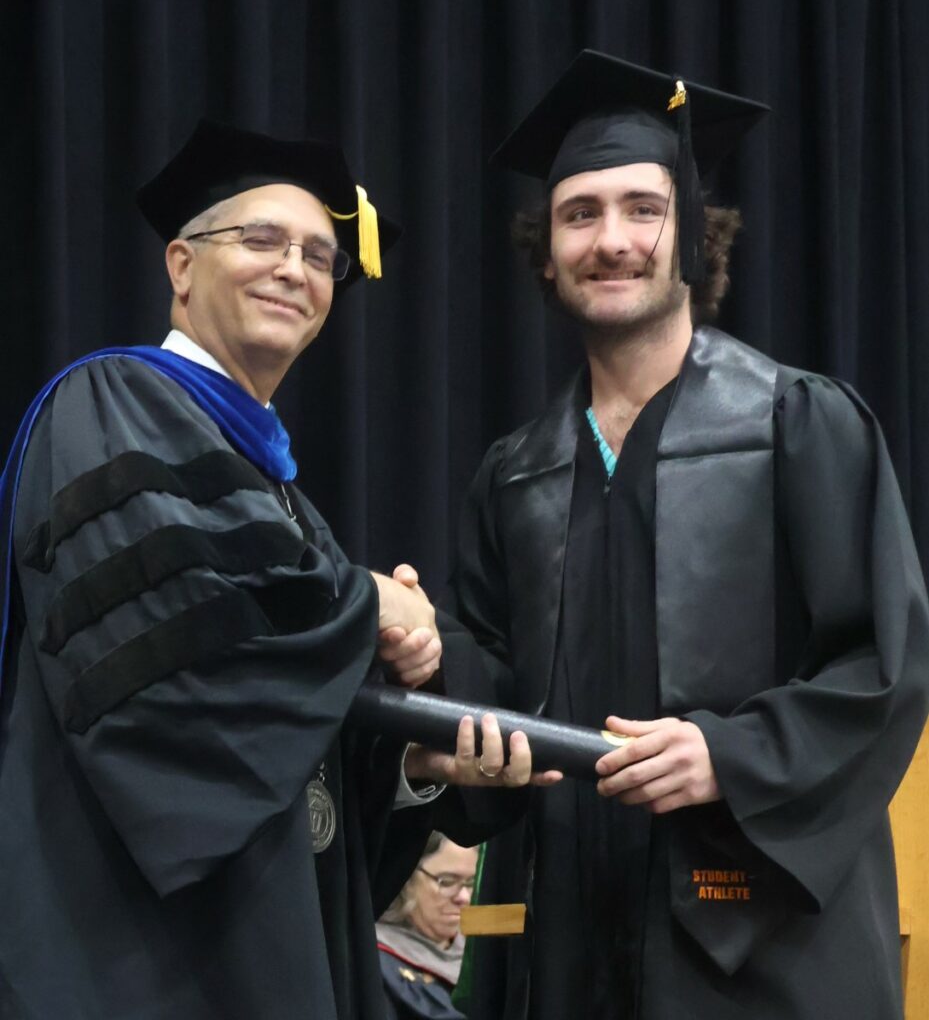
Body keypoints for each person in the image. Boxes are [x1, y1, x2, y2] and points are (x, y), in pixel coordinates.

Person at [437, 51, 929, 1020]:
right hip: (576, 937)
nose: (609, 239)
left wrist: (731, 754)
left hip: (769, 952)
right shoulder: (515, 473)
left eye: (640, 209)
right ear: (545, 250)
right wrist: (428, 663)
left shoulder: (793, 421)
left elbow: (884, 658)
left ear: (691, 238)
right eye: (580, 214)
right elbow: (492, 681)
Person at [0, 119, 521, 1020]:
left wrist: (414, 764)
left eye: (322, 257)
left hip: (262, 947)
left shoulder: (276, 493)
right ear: (181, 265)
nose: (295, 269)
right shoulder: (111, 403)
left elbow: (285, 731)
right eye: (262, 239)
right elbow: (176, 672)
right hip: (134, 955)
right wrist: (369, 603)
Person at [376, 832, 478, 1020]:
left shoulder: (479, 951)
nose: (464, 897)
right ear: (406, 879)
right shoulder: (377, 965)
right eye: (446, 881)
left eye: (470, 882)